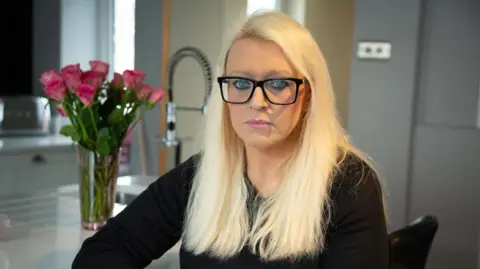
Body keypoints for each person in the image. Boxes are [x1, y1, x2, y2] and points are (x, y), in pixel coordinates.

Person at [72, 10, 389, 269]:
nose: (257, 101)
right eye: (240, 82)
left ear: (307, 95)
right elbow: (105, 250)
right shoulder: (201, 176)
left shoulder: (349, 185)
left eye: (277, 84)